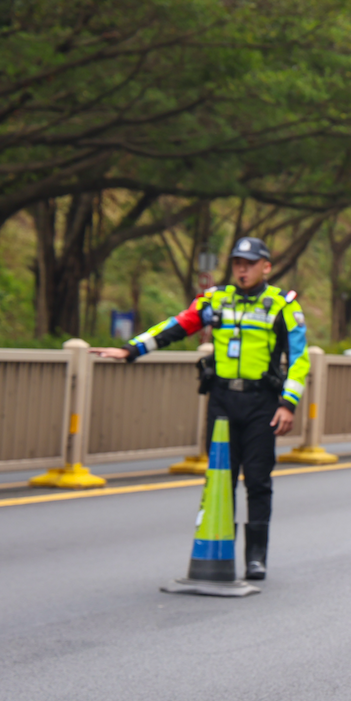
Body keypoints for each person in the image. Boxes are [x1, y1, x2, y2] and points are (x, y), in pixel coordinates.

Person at [94, 237, 308, 581]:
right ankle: (221, 548)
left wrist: (288, 404)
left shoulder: (281, 305)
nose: (243, 268)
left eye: (250, 263)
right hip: (222, 400)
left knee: (257, 480)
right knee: (220, 478)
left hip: (261, 403)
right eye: (238, 261)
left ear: (266, 267)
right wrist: (131, 350)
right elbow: (177, 326)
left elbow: (300, 359)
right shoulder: (216, 300)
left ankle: (256, 557)